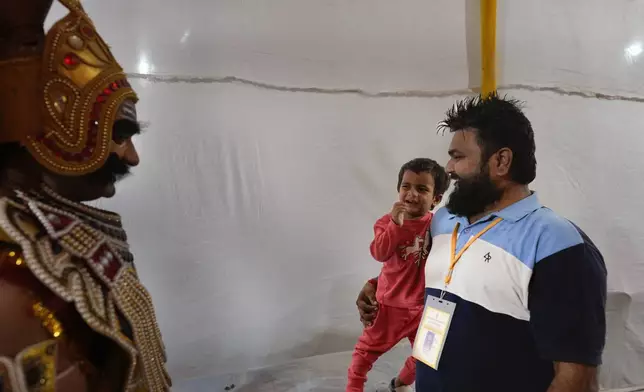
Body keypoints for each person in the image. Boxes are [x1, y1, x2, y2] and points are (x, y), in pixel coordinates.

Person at [356, 95, 607, 392]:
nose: (448, 167)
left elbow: (574, 379)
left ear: (501, 161)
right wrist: (375, 285)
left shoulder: (558, 245)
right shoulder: (444, 220)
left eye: (458, 157)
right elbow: (427, 270)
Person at [0, 0, 171, 390]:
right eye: (121, 133)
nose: (132, 156)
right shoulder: (15, 278)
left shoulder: (44, 247)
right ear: (56, 131)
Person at [347, 158, 449, 392]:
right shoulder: (386, 222)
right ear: (398, 189)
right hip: (390, 305)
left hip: (426, 305)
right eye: (406, 186)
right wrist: (395, 225)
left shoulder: (437, 224)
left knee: (427, 354)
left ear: (436, 199)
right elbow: (379, 253)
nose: (411, 194)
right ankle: (353, 388)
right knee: (365, 354)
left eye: (422, 189)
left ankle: (401, 383)